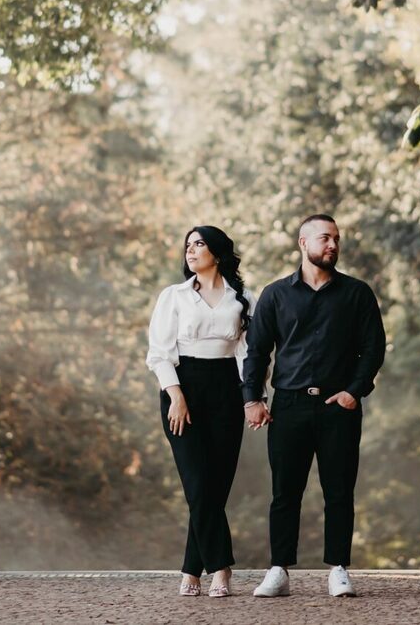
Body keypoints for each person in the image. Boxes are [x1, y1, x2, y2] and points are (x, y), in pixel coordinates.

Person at [242, 213, 386, 599]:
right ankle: (278, 571)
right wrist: (252, 399)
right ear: (303, 243)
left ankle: (338, 569)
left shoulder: (357, 293)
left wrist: (354, 392)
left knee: (339, 490)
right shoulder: (275, 295)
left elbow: (373, 348)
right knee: (285, 492)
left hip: (339, 405)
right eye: (325, 238)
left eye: (336, 238)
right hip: (288, 405)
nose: (333, 245)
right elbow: (256, 352)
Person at [146, 225, 255, 598]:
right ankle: (221, 567)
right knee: (197, 484)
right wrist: (176, 395)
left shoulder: (243, 298)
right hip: (183, 390)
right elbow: (159, 353)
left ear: (218, 253)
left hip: (226, 391)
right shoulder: (173, 296)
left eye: (199, 244)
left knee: (215, 487)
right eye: (188, 245)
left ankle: (192, 570)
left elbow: (248, 355)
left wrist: (253, 398)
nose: (190, 251)